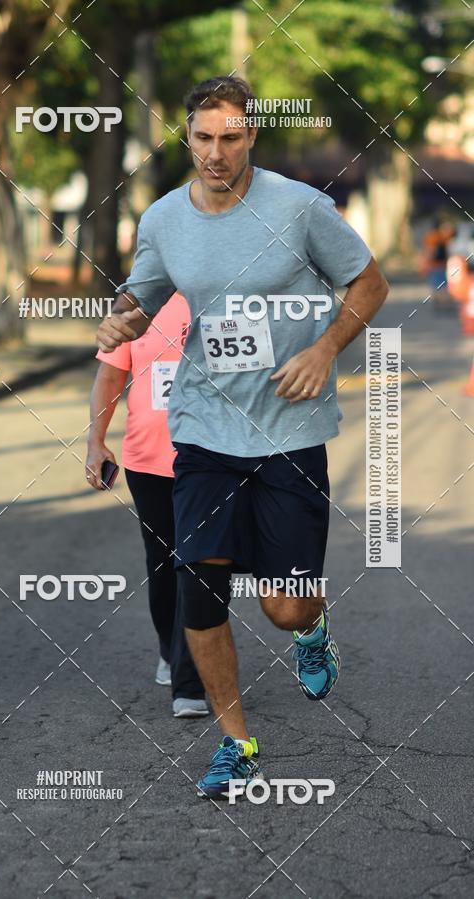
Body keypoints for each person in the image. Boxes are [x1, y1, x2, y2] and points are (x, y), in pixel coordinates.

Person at [96, 75, 389, 798]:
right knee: (201, 587)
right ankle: (238, 740)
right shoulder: (164, 218)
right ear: (187, 137)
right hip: (203, 430)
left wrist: (324, 349)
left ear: (251, 134)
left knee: (284, 603)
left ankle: (310, 629)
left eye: (231, 138)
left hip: (289, 430)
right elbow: (146, 290)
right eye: (203, 138)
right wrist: (121, 318)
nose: (216, 153)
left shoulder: (299, 209)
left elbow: (370, 284)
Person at [86, 291, 208, 718]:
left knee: (200, 562)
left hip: (214, 459)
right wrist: (95, 442)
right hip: (149, 461)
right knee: (163, 562)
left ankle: (189, 678)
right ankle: (169, 646)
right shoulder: (136, 302)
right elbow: (110, 376)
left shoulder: (229, 288)